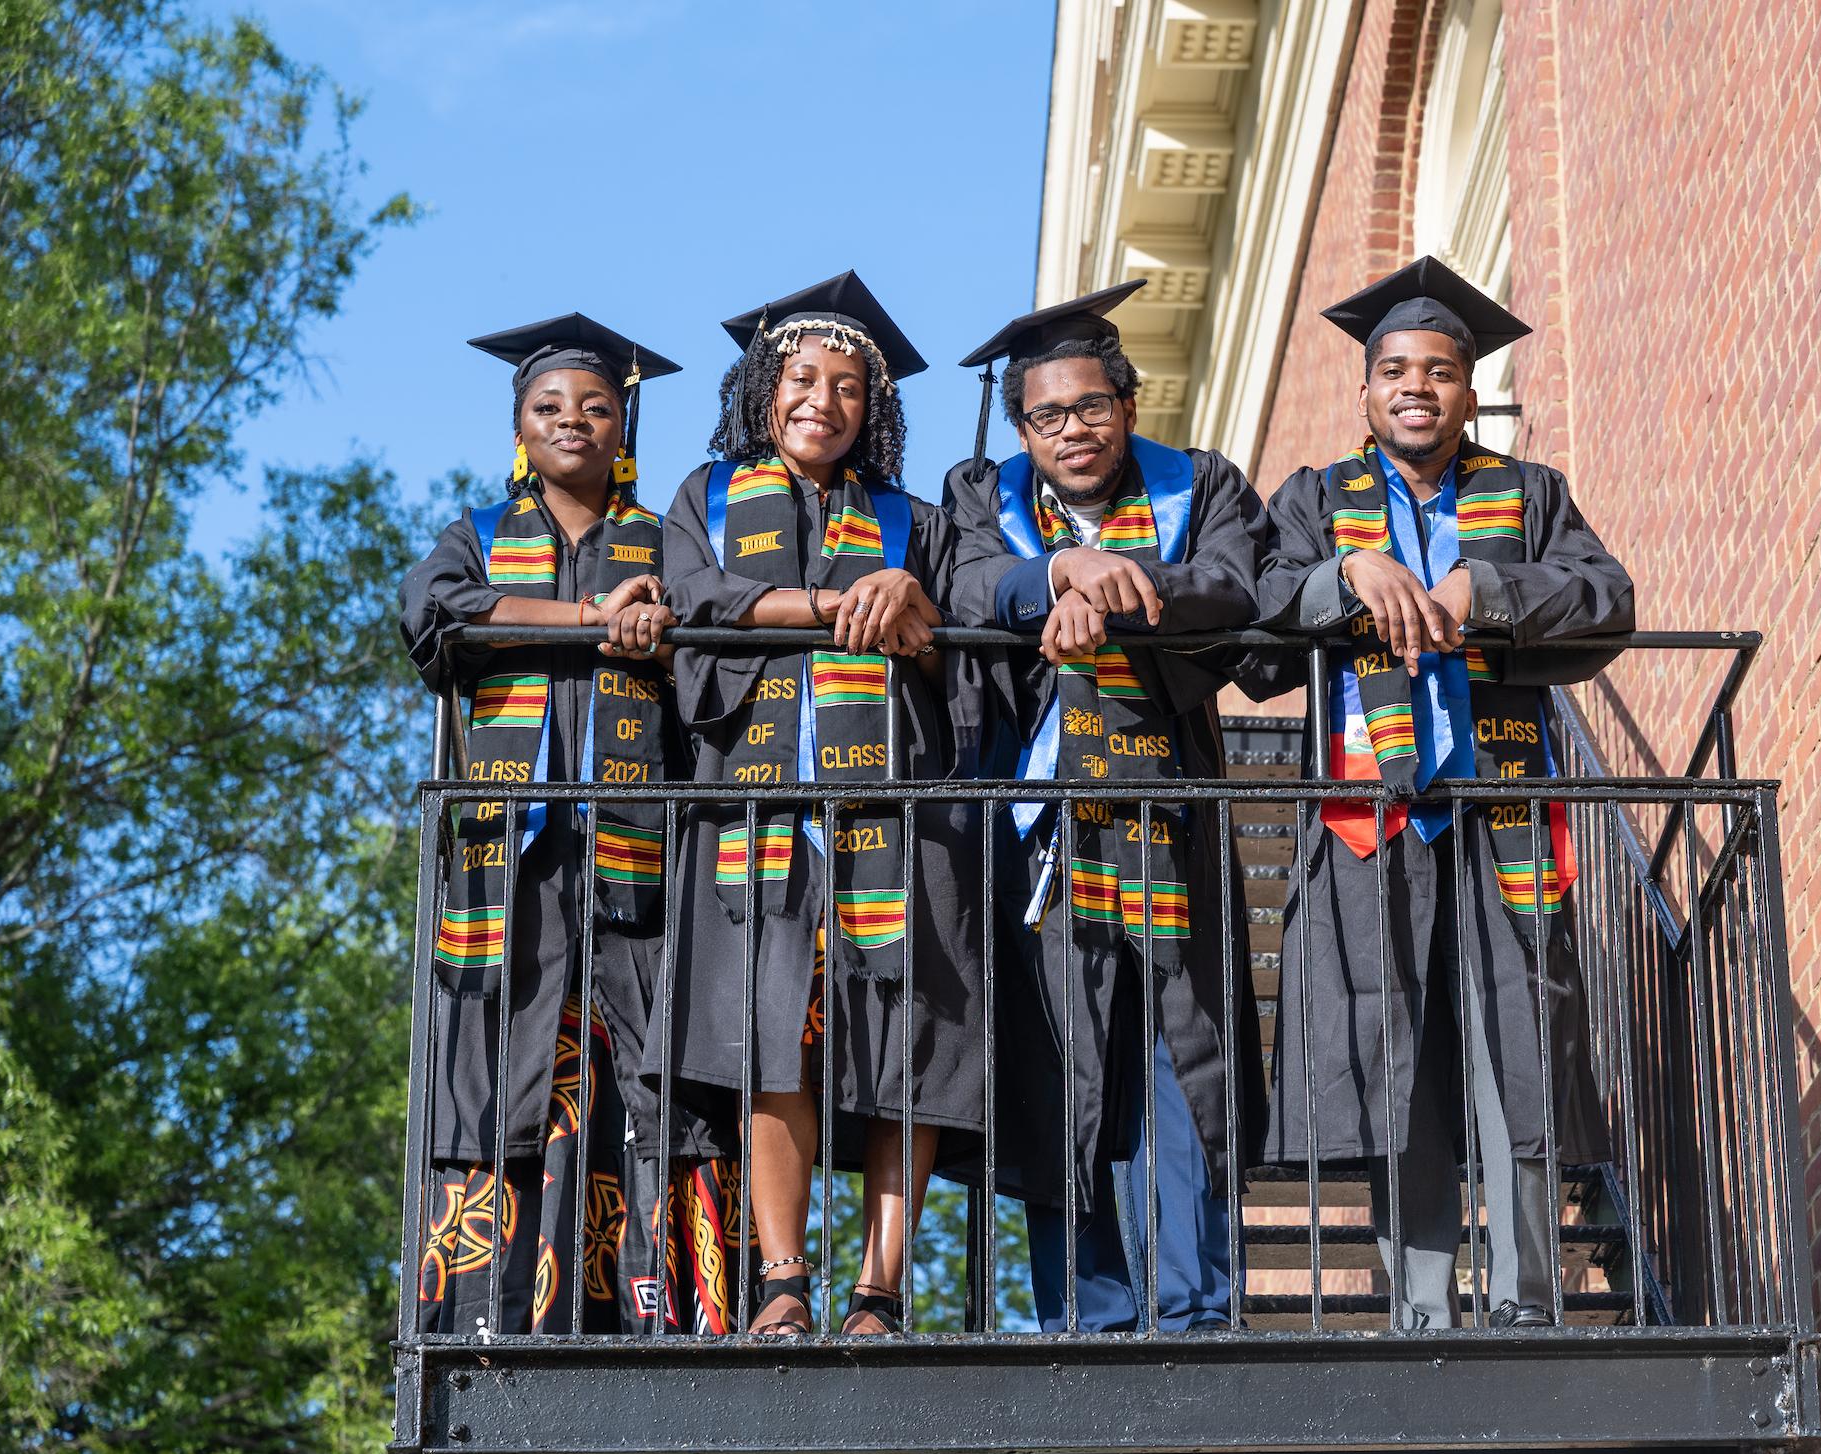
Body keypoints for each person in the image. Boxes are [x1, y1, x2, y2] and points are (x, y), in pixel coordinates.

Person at [1247, 258, 1636, 1328]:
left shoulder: (1531, 494)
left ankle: (1524, 1295)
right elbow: (1257, 620)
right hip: (1371, 816)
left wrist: (1487, 585)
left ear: (1469, 393)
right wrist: (1344, 576)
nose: (1416, 387)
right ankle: (1420, 1303)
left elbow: (1608, 598)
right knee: (1395, 1053)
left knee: (1515, 1040)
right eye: (1395, 371)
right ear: (1364, 391)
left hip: (1499, 802)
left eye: (1440, 370)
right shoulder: (1316, 500)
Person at [650, 272, 984, 1338]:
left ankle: (880, 1292)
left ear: (872, 409)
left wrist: (915, 603)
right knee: (768, 1037)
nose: (822, 401)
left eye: (848, 387)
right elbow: (694, 601)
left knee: (906, 1043)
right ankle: (785, 1282)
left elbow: (964, 652)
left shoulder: (915, 522)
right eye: (801, 378)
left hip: (893, 816)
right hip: (757, 813)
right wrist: (832, 603)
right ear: (764, 388)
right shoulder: (706, 499)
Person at [400, 314, 743, 1334]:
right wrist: (597, 620)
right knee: (500, 1064)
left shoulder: (668, 540)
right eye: (549, 406)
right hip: (514, 857)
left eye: (595, 406)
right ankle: (488, 1314)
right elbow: (437, 613)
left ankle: (656, 1312)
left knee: (649, 1068)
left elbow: (713, 648)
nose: (572, 421)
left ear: (622, 426)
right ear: (519, 426)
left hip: (640, 852)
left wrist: (660, 631)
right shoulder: (476, 535)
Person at [946, 280, 1265, 1333]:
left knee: (1183, 1052)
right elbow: (968, 584)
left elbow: (1238, 588)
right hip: (1043, 826)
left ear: (1128, 404)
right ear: (1021, 430)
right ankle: (1087, 1313)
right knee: (1064, 1062)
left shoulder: (1200, 485)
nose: (1072, 430)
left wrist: (1120, 587)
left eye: (1090, 406)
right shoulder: (980, 495)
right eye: (1047, 416)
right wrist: (1058, 573)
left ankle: (1195, 1306)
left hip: (1169, 810)